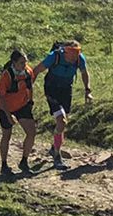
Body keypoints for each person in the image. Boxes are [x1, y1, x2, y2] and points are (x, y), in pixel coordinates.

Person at [37, 40, 91, 168]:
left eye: (77, 53)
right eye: (72, 53)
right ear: (64, 51)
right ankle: (57, 156)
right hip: (52, 89)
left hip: (66, 90)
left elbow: (84, 73)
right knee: (62, 121)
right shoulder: (54, 57)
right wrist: (27, 89)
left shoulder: (79, 59)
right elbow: (37, 70)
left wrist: (87, 90)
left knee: (62, 121)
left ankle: (54, 147)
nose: (74, 56)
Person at [0, 47, 41, 176]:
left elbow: (29, 86)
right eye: (21, 63)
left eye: (25, 62)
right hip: (5, 107)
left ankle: (24, 162)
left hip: (22, 105)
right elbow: (1, 97)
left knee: (32, 132)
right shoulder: (6, 75)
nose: (24, 65)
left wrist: (30, 101)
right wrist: (9, 116)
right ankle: (4, 165)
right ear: (14, 63)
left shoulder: (27, 71)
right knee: (7, 135)